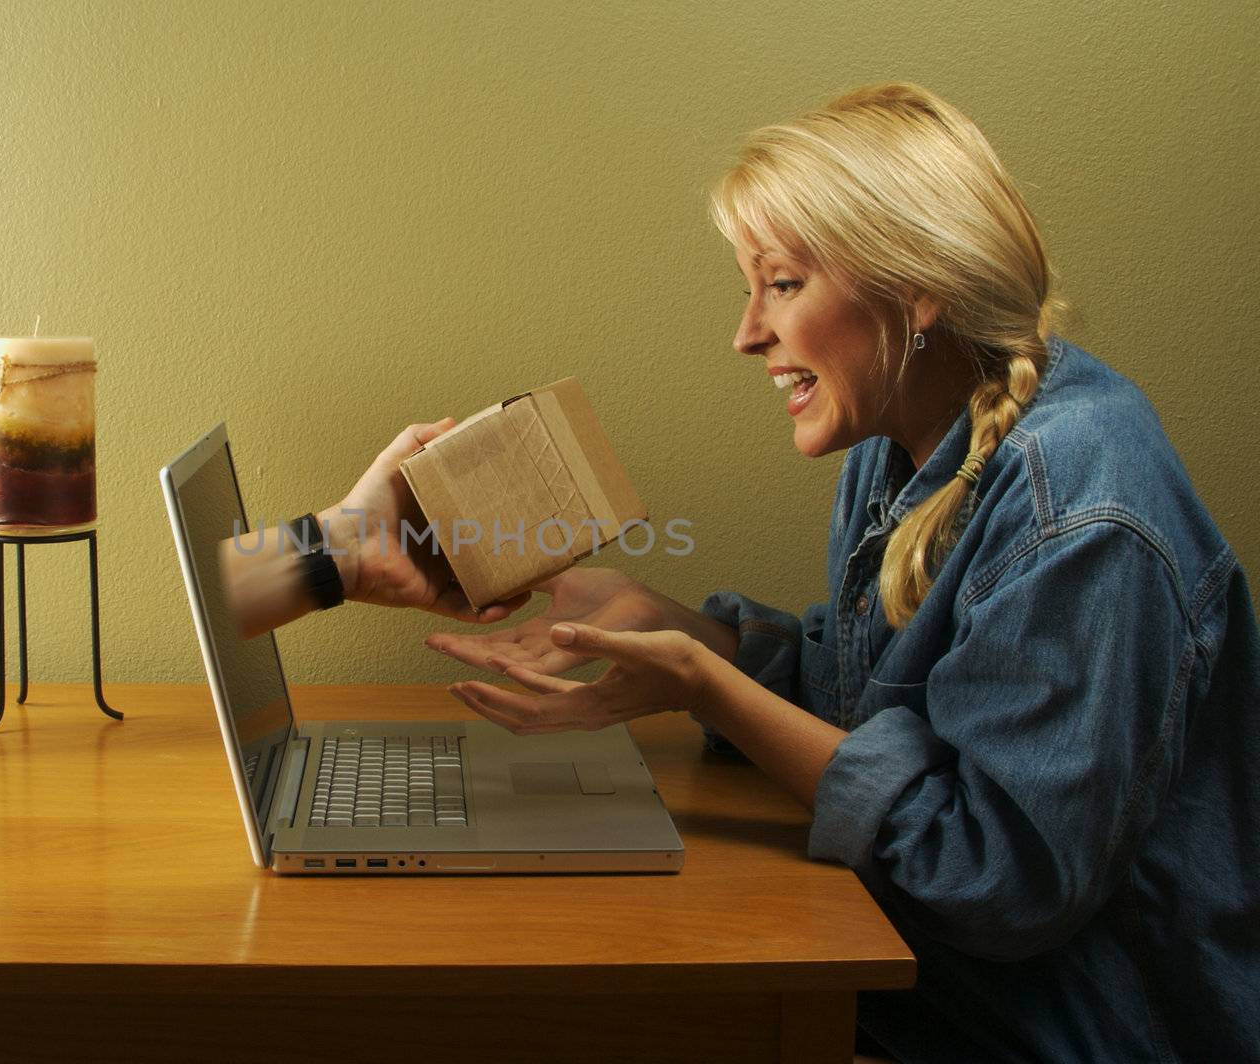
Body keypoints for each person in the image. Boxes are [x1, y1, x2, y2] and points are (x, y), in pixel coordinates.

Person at [230, 83, 1259, 1061]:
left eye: (781, 283)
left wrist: (700, 680)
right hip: (920, 977)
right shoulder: (899, 438)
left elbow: (993, 875)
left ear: (919, 287)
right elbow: (883, 710)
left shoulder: (1081, 512)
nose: (745, 333)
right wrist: (337, 553)